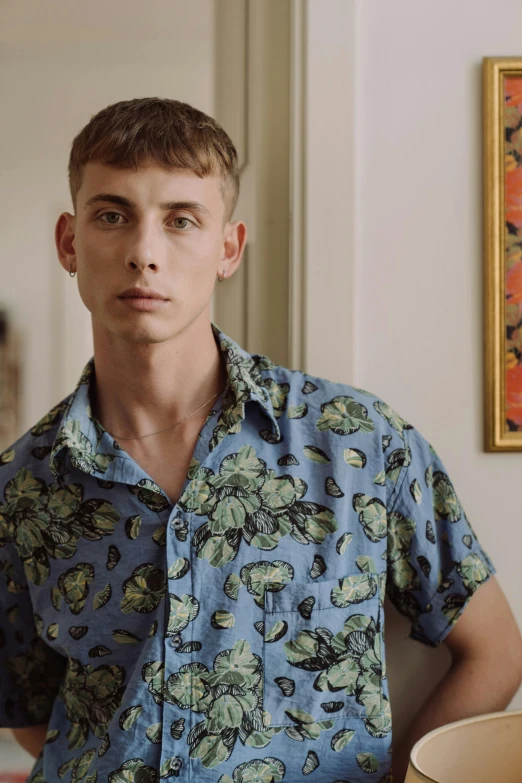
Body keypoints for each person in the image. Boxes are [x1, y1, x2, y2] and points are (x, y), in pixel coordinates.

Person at [1, 97, 521, 783]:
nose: (144, 253)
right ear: (70, 241)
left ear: (228, 248)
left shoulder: (358, 443)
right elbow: (31, 712)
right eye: (112, 215)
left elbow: (495, 650)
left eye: (181, 220)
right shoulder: (23, 485)